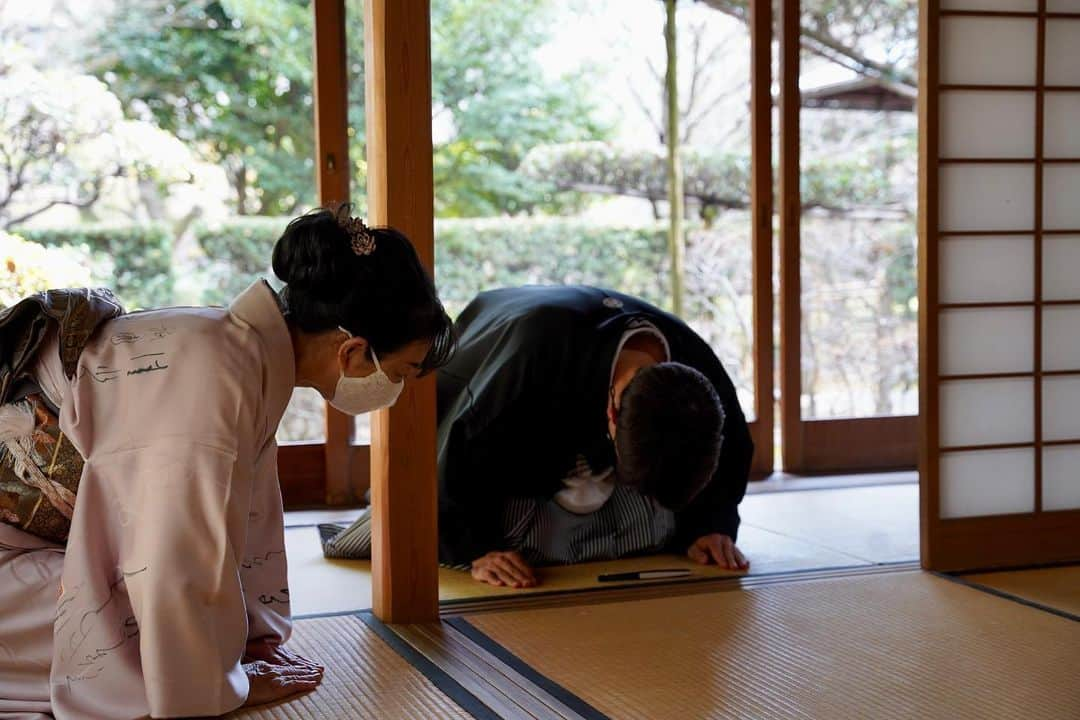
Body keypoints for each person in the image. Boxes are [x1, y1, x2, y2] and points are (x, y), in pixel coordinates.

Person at [0, 205, 454, 719]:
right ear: (353, 352)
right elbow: (171, 558)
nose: (395, 389)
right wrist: (220, 681)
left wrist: (246, 638)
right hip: (10, 558)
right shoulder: (218, 370)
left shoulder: (237, 350)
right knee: (122, 629)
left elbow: (235, 531)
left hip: (35, 545)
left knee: (166, 619)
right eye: (403, 371)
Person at [319, 285, 753, 587]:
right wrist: (478, 549)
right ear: (612, 412)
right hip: (510, 441)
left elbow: (730, 446)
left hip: (584, 441)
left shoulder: (697, 369)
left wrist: (711, 527)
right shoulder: (532, 355)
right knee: (429, 531)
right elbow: (461, 444)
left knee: (654, 526)